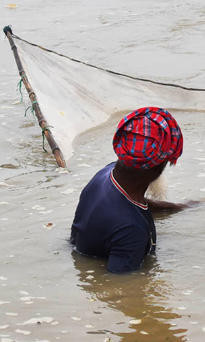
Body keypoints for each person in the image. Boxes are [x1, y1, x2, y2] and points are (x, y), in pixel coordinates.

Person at [70, 107, 191, 273]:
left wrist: (175, 207)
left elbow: (126, 205)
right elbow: (123, 290)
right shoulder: (133, 230)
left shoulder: (105, 174)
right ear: (159, 167)